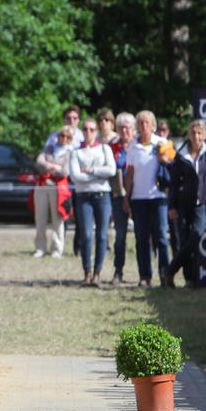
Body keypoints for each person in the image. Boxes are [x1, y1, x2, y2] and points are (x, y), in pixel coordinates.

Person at [123, 110, 171, 287]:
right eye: (140, 123)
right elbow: (130, 173)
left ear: (153, 125)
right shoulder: (133, 146)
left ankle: (166, 275)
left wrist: (163, 157)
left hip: (158, 197)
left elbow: (171, 164)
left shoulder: (161, 143)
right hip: (139, 198)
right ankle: (145, 276)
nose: (144, 126)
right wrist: (126, 197)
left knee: (161, 238)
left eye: (147, 122)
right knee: (141, 238)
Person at [164, 120, 206, 288]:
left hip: (202, 202)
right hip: (183, 203)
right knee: (183, 240)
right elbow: (174, 183)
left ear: (204, 135)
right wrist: (172, 206)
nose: (196, 136)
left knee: (195, 236)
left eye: (199, 133)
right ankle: (189, 279)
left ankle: (170, 270)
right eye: (193, 133)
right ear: (189, 135)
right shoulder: (181, 154)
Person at [69, 118, 116, 286]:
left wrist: (91, 170)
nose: (88, 132)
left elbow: (111, 170)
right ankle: (87, 271)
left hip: (102, 196)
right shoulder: (76, 153)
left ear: (96, 132)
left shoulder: (105, 149)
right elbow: (76, 176)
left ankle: (97, 272)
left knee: (102, 235)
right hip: (83, 197)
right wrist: (97, 175)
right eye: (85, 129)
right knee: (86, 235)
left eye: (92, 129)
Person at [32, 126, 74, 258]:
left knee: (57, 219)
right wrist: (52, 166)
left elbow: (65, 171)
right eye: (62, 135)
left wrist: (50, 166)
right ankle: (40, 247)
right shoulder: (49, 148)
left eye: (67, 137)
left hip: (58, 188)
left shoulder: (70, 153)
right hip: (43, 185)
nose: (64, 139)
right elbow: (39, 162)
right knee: (40, 218)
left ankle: (56, 249)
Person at [108, 112, 135, 283]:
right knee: (120, 236)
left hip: (138, 194)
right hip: (118, 196)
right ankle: (118, 271)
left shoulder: (139, 145)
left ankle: (145, 274)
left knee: (142, 236)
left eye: (127, 127)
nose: (124, 131)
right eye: (121, 128)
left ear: (133, 128)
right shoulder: (112, 147)